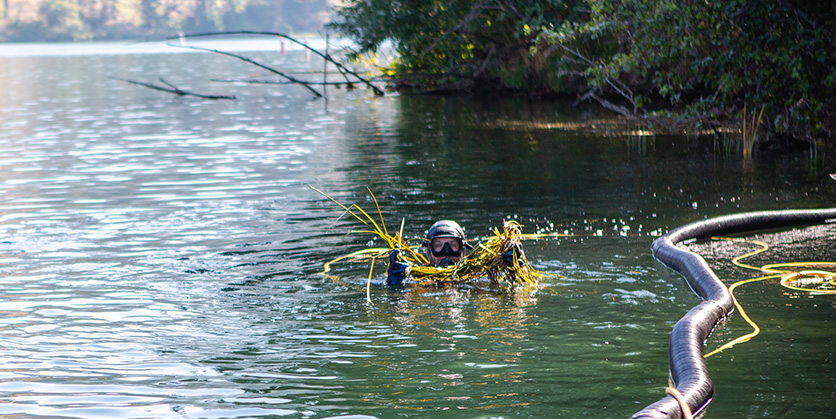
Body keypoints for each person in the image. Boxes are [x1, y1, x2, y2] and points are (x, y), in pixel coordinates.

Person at [386, 220, 521, 286]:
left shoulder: (479, 278)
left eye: (453, 245)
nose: (446, 253)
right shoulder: (414, 281)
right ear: (429, 251)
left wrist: (516, 273)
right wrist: (394, 289)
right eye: (438, 246)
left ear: (462, 250)